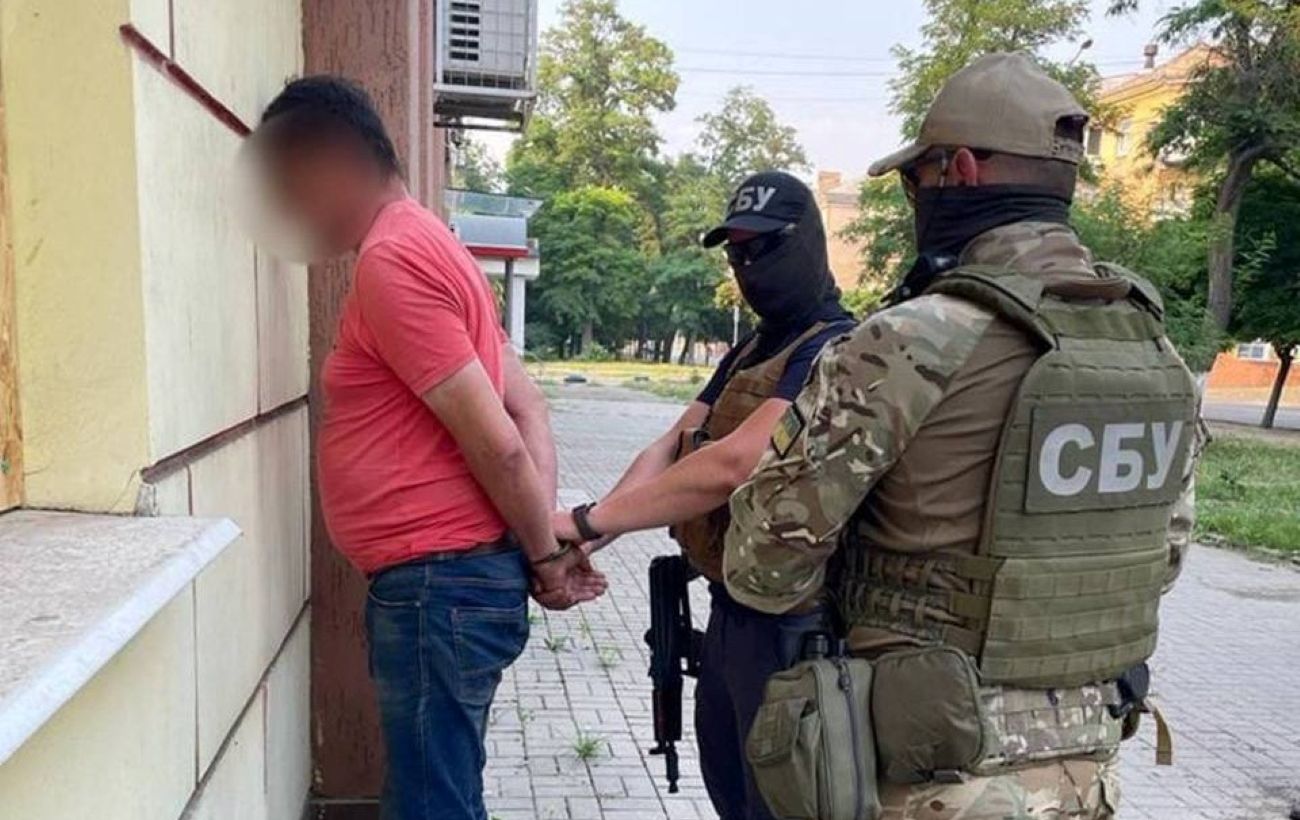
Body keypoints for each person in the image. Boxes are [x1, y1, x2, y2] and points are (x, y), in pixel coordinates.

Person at [724, 53, 1201, 820]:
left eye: (917, 179)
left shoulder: (912, 340)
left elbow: (764, 563)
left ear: (963, 169)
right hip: (1086, 771)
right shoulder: (1155, 351)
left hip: (929, 774)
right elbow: (1167, 556)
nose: (918, 197)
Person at [246, 76, 605, 820]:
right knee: (444, 793)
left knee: (431, 805)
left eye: (293, 187)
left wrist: (544, 556)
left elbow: (501, 443)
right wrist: (536, 543)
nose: (290, 212)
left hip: (438, 588)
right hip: (453, 586)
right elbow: (527, 407)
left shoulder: (393, 261)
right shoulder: (434, 242)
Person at [553, 171, 856, 820]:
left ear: (806, 243)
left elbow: (736, 461)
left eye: (763, 248)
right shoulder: (753, 348)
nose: (747, 266)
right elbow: (674, 444)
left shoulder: (835, 346)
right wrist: (589, 537)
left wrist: (585, 520)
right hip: (731, 612)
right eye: (736, 253)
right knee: (730, 791)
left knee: (779, 803)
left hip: (795, 625)